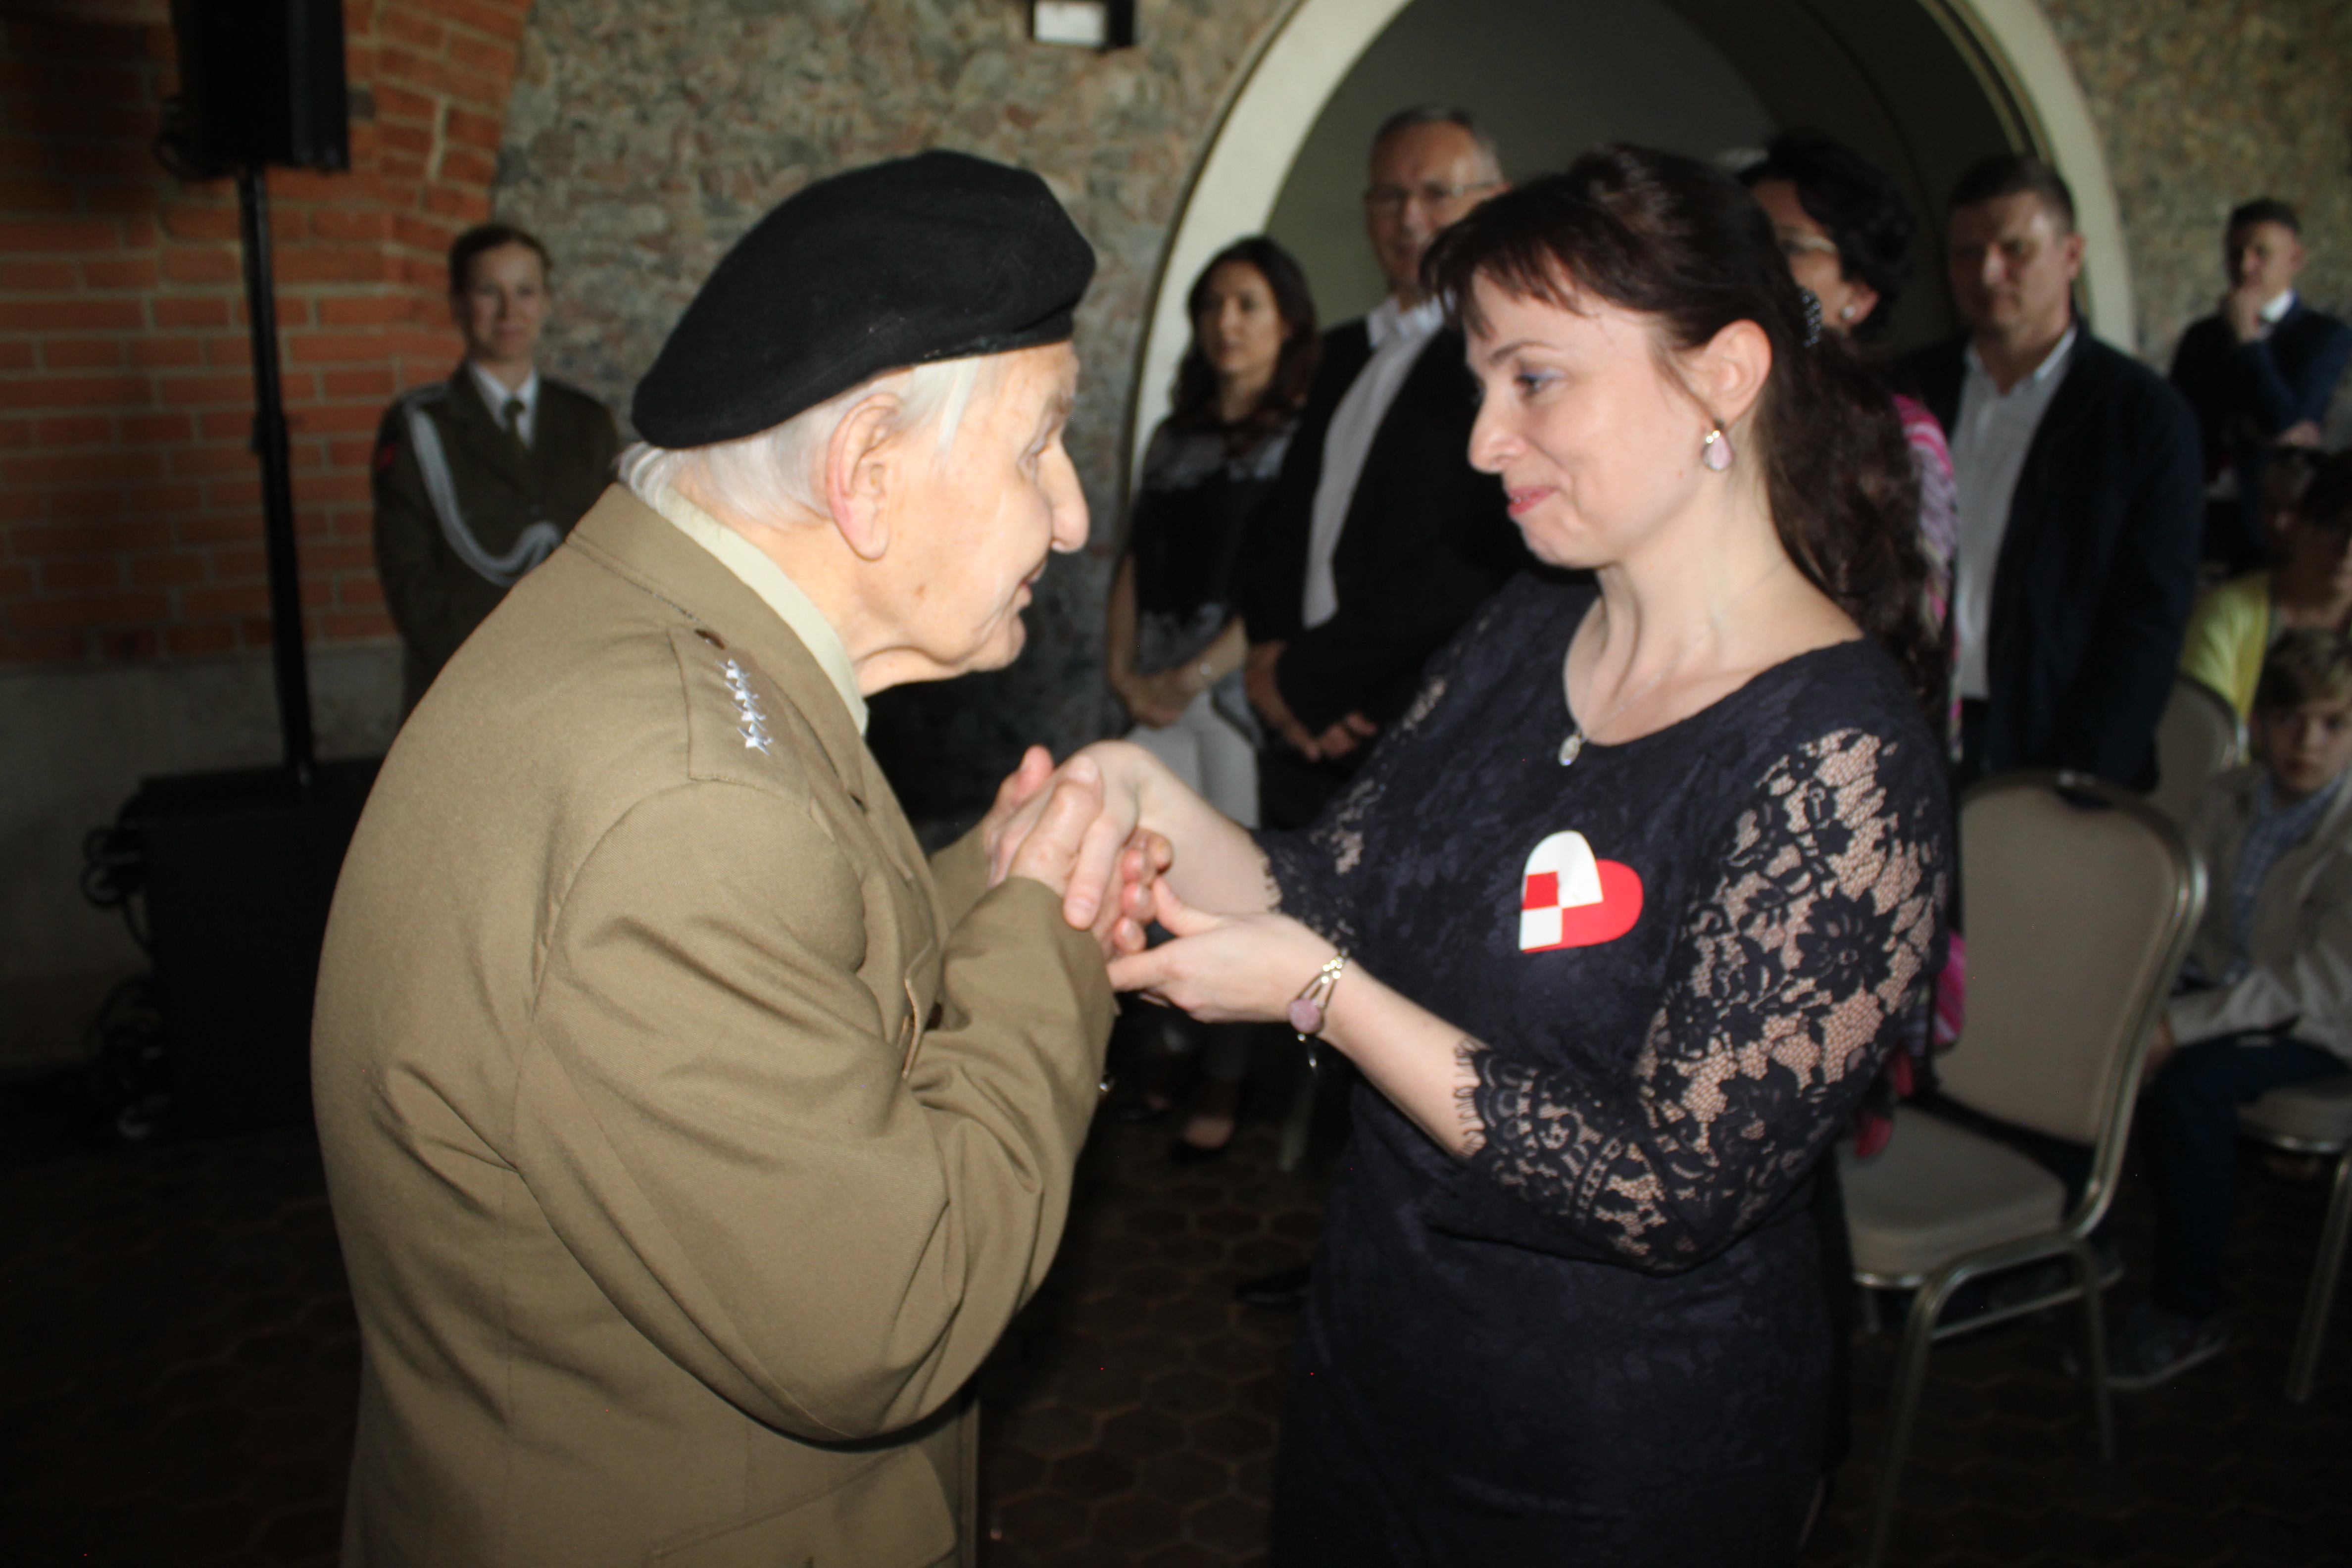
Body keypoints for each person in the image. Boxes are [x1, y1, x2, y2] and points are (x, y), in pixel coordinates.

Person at [999, 144, 1951, 1561]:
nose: (1482, 441)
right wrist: (1143, 795)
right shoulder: (1521, 629)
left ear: (1724, 376)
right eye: (1480, 382)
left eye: (1535, 379)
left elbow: (1666, 1188)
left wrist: (1322, 997)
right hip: (1379, 1356)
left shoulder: (1838, 756)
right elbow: (1339, 887)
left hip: (1613, 1446)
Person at [314, 152, 1162, 1567]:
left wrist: (978, 882)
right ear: (867, 472)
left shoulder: (662, 647)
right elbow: (894, 1309)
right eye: (1039, 446)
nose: (1071, 516)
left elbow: (775, 968)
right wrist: (1048, 938)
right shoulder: (686, 795)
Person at [1237, 105, 1528, 832]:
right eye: (1389, 196)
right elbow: (1281, 522)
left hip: (1416, 735)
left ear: (1495, 201)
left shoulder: (1507, 360)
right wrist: (1273, 664)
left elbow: (1475, 559)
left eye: (1436, 193)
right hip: (1296, 740)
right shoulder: (1336, 354)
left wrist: (1314, 681)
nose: (1409, 218)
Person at [1106, 236, 1318, 1159]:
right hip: (1151, 693)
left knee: (1230, 904)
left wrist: (1191, 677)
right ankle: (1167, 1054)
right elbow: (1134, 560)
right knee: (1141, 890)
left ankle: (1227, 1078)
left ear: (1287, 322)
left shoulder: (1299, 437)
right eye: (1212, 305)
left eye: (1248, 305)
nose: (1225, 323)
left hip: (1234, 700)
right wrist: (1124, 672)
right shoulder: (1172, 435)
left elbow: (1279, 583)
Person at [1901, 153, 2203, 791]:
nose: (1988, 272)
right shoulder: (1908, 391)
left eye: (2015, 249)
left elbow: (2149, 617)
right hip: (1909, 723)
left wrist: (2086, 771)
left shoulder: (2143, 416)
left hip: (2052, 743)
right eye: (1966, 254)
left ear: (2071, 255)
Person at [2118, 628, 2352, 1388]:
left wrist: (2179, 1025)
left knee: (2192, 1090)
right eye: (2288, 719)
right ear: (2257, 721)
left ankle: (2189, 1311)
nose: (2307, 743)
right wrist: (2145, 1003)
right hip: (2226, 993)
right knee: (2097, 1037)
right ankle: (2066, 1246)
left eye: (2333, 724)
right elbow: (2184, 922)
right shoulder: (2229, 795)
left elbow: (2309, 986)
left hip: (2321, 1024)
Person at [372, 223, 623, 713]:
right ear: (458, 305)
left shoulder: (588, 422)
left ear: (546, 303)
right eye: (489, 291)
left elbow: (615, 551)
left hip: (578, 683)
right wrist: (497, 676)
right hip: (463, 688)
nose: (510, 312)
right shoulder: (420, 427)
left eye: (525, 291)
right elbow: (410, 579)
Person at [1741, 134, 1957, 647]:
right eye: (1745, 240)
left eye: (1790, 247)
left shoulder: (1903, 436)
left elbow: (1913, 623)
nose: (1755, 264)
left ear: (1859, 293)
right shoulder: (1710, 401)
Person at [2169, 199, 2352, 570]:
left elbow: (2283, 420)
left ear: (2295, 259)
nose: (2244, 266)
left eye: (2260, 253)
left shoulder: (2323, 337)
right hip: (2196, 514)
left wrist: (2247, 340)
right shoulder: (2201, 338)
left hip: (2271, 519)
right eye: (2235, 254)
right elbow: (2178, 425)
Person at [2178, 448, 2351, 719]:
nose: (2347, 551)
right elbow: (2201, 732)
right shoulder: (2226, 615)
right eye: (2335, 529)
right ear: (2301, 522)